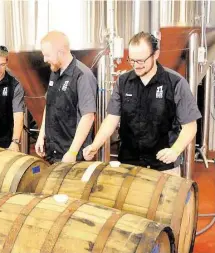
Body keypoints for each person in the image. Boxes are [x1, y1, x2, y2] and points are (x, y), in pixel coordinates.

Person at [83, 32, 201, 176]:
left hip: (164, 166)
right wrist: (95, 145)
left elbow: (190, 125)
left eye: (141, 61)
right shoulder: (123, 82)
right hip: (129, 164)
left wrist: (175, 150)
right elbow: (112, 118)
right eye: (132, 60)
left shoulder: (175, 82)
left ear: (155, 54)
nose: (136, 66)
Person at [35, 31, 97, 163]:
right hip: (53, 152)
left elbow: (88, 116)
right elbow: (49, 105)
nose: (44, 60)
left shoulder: (82, 75)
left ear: (61, 52)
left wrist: (72, 152)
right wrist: (41, 136)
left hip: (73, 156)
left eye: (47, 55)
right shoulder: (54, 71)